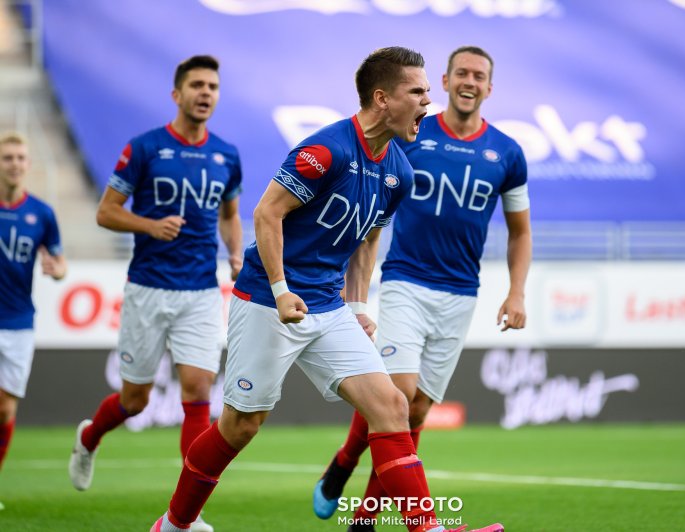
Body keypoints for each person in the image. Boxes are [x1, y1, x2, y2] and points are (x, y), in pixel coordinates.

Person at [149, 46, 502, 532]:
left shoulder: (400, 172)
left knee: (392, 405)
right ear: (382, 99)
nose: (428, 102)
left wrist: (356, 304)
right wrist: (280, 288)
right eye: (417, 92)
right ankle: (174, 524)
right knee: (241, 426)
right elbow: (266, 213)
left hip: (328, 307)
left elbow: (367, 238)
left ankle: (428, 530)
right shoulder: (325, 151)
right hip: (268, 302)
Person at [314, 45, 531, 531]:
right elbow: (368, 193)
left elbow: (520, 230)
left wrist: (516, 292)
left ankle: (357, 495)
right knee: (398, 393)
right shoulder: (410, 132)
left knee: (413, 417)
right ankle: (362, 498)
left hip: (461, 293)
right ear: (447, 81)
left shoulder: (508, 154)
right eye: (460, 73)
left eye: (479, 75)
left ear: (489, 87)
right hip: (406, 280)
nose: (469, 81)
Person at [68, 55, 243, 532]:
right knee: (135, 400)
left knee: (198, 392)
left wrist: (235, 253)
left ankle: (185, 516)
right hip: (147, 289)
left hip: (201, 292)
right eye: (196, 85)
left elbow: (230, 213)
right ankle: (90, 437)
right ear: (176, 94)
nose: (205, 93)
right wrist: (149, 225)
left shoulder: (226, 154)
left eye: (212, 86)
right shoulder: (144, 148)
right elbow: (106, 212)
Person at [0, 133, 67, 510]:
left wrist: (56, 269)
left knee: (6, 410)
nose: (14, 163)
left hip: (19, 321)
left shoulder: (41, 213)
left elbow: (59, 262)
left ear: (28, 164)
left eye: (20, 157)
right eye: (7, 157)